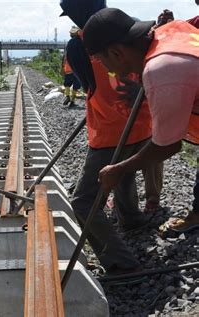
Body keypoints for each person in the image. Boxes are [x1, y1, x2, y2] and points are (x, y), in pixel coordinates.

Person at [59, 0, 156, 278]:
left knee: (84, 202)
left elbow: (85, 82)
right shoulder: (128, 27)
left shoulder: (78, 45)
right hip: (142, 124)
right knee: (123, 172)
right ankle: (131, 219)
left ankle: (120, 261)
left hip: (110, 131)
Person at [83, 8, 199, 233]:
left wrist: (118, 169)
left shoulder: (161, 71)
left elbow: (168, 145)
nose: (110, 72)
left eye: (103, 62)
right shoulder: (166, 33)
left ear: (116, 53)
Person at [61, 26, 82, 108]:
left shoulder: (68, 44)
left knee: (67, 84)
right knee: (76, 86)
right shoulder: (80, 43)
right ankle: (72, 101)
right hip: (77, 69)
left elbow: (64, 57)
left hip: (68, 68)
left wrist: (62, 67)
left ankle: (67, 97)